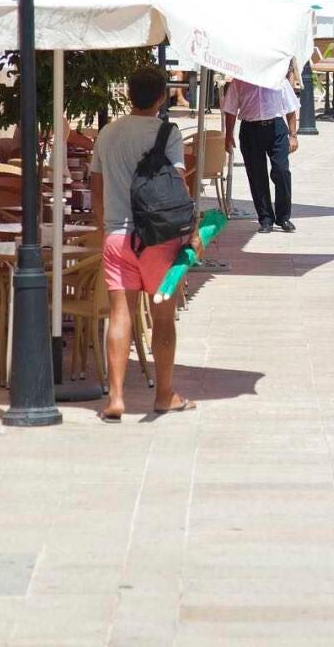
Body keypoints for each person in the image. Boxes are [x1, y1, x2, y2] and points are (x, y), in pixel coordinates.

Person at [92, 66, 200, 421]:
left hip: (117, 236)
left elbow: (96, 188)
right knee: (163, 318)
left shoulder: (107, 134)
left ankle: (116, 397)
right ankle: (164, 394)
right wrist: (192, 230)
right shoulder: (167, 133)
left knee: (119, 315)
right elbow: (177, 186)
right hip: (159, 239)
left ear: (128, 94)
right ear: (161, 97)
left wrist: (105, 226)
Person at [222, 64, 301, 234]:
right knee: (257, 176)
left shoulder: (279, 79)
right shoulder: (239, 81)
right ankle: (265, 219)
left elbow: (291, 108)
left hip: (276, 127)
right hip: (250, 129)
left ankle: (283, 217)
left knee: (281, 171)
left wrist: (293, 135)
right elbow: (230, 109)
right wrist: (228, 135)